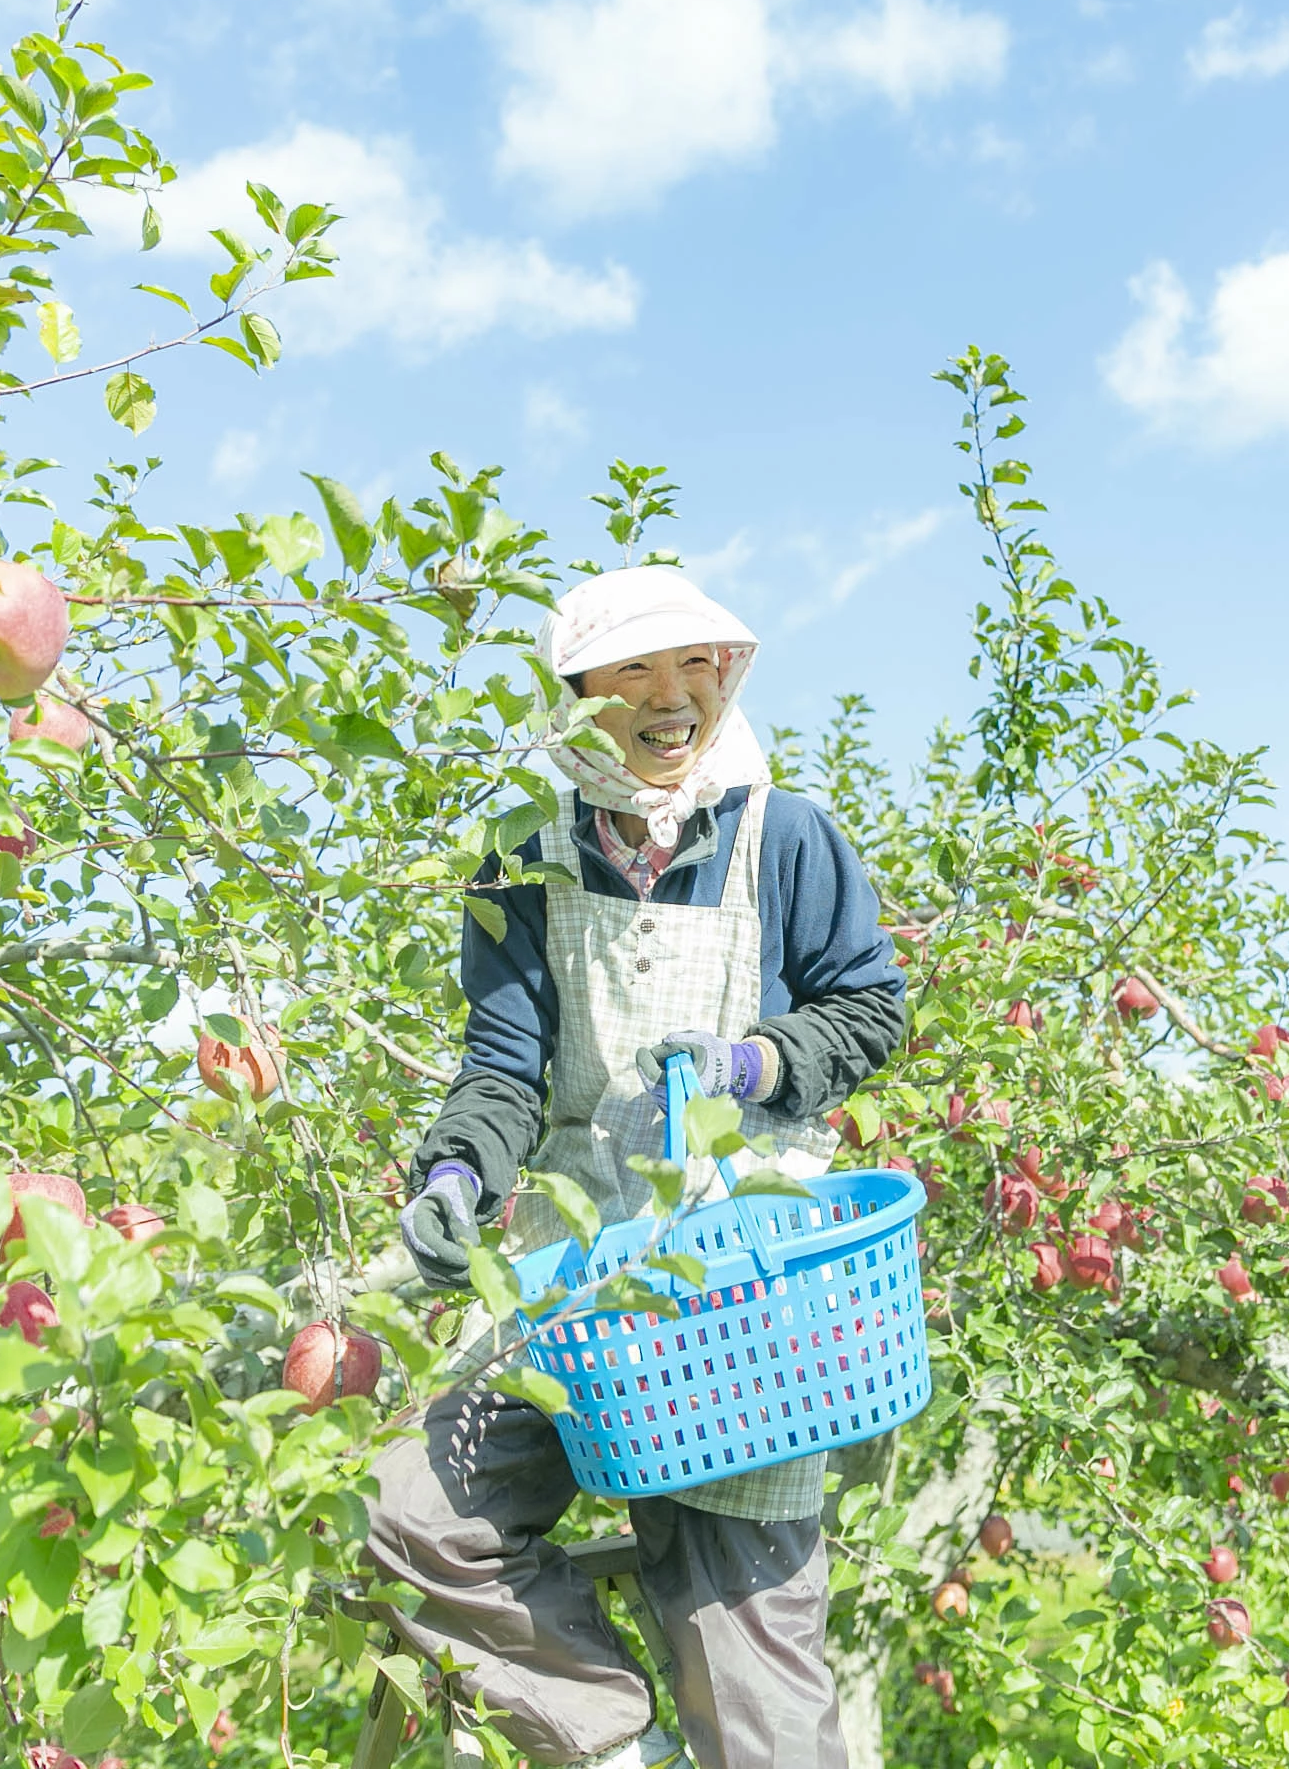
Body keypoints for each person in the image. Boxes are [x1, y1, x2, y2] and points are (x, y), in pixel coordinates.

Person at [366, 565, 909, 1769]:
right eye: (635, 674)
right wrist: (455, 1175)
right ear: (577, 698)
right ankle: (616, 1745)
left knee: (757, 1690)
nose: (672, 699)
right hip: (570, 1282)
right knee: (411, 1514)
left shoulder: (786, 835)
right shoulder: (523, 859)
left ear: (727, 677)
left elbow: (870, 1010)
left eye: (693, 669)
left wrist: (757, 1065)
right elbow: (504, 1067)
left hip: (738, 1294)